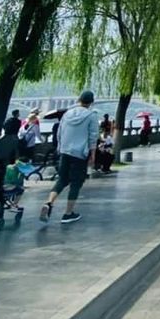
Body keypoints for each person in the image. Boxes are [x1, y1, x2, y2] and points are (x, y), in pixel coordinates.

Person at [39, 90, 98, 225]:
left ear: (79, 100)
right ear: (91, 102)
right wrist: (92, 155)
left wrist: (60, 148)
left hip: (64, 152)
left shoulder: (67, 114)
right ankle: (68, 213)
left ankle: (49, 203)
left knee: (62, 179)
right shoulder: (91, 116)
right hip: (79, 154)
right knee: (76, 183)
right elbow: (93, 136)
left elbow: (59, 133)